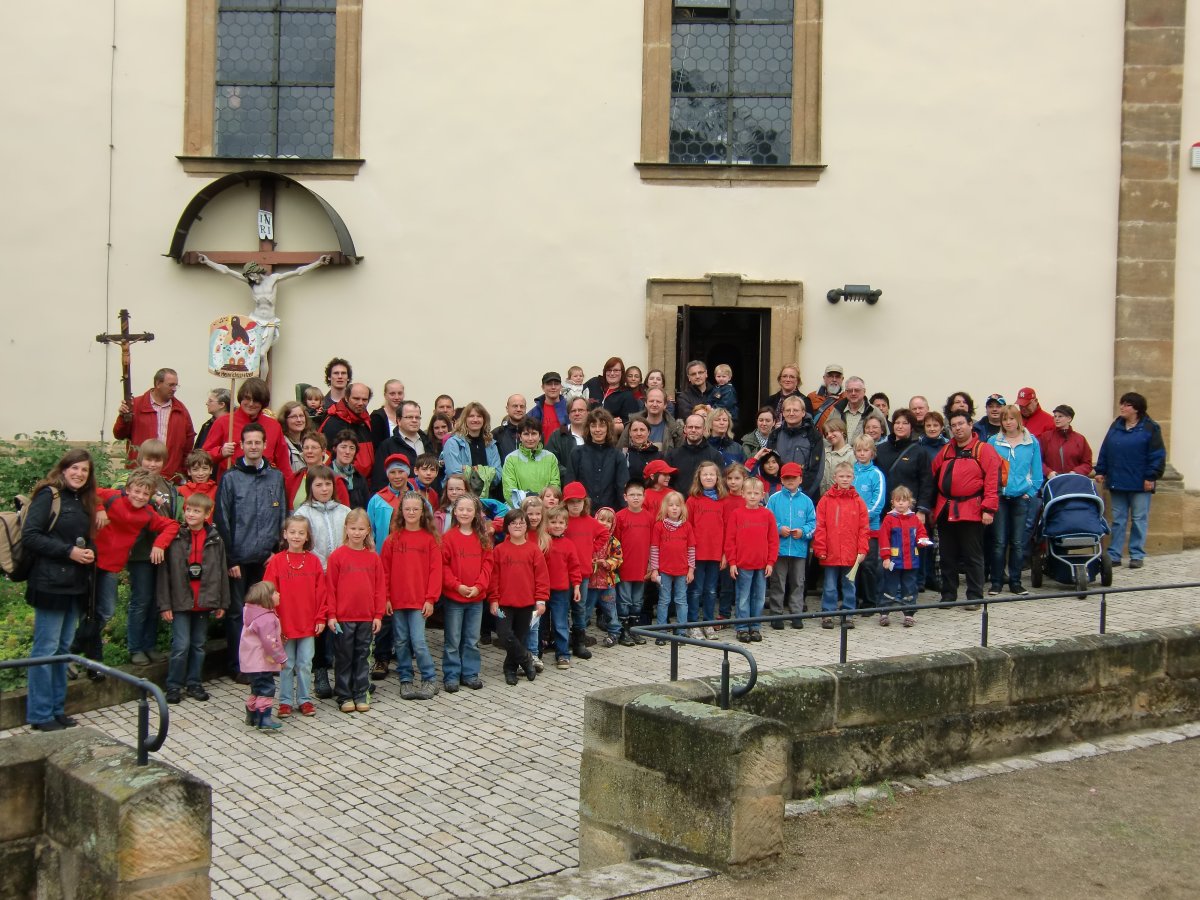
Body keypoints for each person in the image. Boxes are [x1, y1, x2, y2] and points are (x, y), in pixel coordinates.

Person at [23, 449, 98, 731]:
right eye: (75, 468)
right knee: (46, 649)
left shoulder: (82, 500)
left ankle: (56, 708)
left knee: (63, 649)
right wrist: (69, 552)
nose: (79, 474)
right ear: (64, 469)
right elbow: (31, 536)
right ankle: (40, 714)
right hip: (50, 584)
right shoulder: (49, 495)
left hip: (74, 586)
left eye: (84, 470)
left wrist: (87, 552)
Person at [214, 422, 287, 681]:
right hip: (239, 558)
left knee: (265, 612)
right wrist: (230, 558)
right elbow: (222, 518)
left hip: (266, 557)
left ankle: (264, 662)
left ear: (265, 445)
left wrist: (276, 549)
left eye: (258, 442)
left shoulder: (275, 477)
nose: (254, 447)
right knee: (238, 613)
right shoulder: (231, 478)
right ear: (241, 446)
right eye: (249, 443)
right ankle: (239, 665)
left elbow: (282, 515)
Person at [84, 469, 179, 668]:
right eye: (136, 491)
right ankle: (77, 650)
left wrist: (159, 544)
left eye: (145, 494)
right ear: (128, 489)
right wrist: (100, 508)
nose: (140, 497)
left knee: (106, 611)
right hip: (89, 560)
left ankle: (78, 647)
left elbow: (170, 525)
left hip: (112, 566)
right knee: (84, 610)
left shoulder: (146, 513)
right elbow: (90, 489)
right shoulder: (113, 497)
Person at [196, 253, 330, 382]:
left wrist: (318, 263)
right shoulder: (251, 283)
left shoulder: (273, 279)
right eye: (249, 277)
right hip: (255, 321)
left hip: (270, 322)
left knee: (261, 354)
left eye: (252, 276)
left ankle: (261, 384)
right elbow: (227, 271)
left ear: (256, 271)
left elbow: (298, 272)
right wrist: (208, 262)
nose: (252, 279)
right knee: (250, 353)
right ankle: (252, 381)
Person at [157, 493, 229, 704]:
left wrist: (222, 602)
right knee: (181, 645)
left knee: (198, 645)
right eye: (188, 509)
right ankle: (173, 685)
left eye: (196, 511)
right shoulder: (175, 537)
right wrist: (165, 604)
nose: (190, 514)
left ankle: (194, 682)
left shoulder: (215, 539)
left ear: (207, 514)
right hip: (180, 600)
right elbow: (164, 573)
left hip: (204, 600)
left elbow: (222, 571)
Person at [931, 411, 1001, 610]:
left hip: (972, 510)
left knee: (972, 556)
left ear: (971, 425)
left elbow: (992, 482)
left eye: (961, 423)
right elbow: (932, 476)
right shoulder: (945, 450)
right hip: (946, 509)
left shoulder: (984, 450)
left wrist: (989, 509)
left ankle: (974, 596)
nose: (958, 428)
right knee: (947, 556)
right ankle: (948, 595)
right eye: (953, 425)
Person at [120, 439, 180, 666]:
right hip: (141, 553)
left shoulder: (167, 486)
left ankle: (150, 644)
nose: (153, 464)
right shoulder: (133, 484)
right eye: (149, 459)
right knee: (141, 599)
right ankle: (135, 647)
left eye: (158, 460)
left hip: (163, 551)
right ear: (140, 459)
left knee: (157, 599)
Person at [292, 465, 347, 701]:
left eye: (327, 484)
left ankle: (349, 674)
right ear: (310, 488)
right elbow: (303, 545)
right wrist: (323, 566)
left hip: (344, 577)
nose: (324, 489)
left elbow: (351, 539)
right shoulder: (303, 513)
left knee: (344, 625)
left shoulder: (345, 511)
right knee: (321, 626)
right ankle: (321, 672)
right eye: (318, 485)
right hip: (316, 575)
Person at [262, 516, 326, 717]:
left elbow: (322, 593)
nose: (296, 536)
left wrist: (320, 618)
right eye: (293, 532)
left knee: (306, 663)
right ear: (285, 534)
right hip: (284, 623)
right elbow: (268, 592)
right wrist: (273, 621)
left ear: (307, 536)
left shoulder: (314, 561)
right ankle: (285, 701)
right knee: (286, 664)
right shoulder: (277, 562)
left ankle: (305, 699)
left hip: (307, 621)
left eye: (301, 533)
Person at [382, 492, 442, 701]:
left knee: (418, 641)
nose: (411, 512)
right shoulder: (392, 540)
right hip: (398, 601)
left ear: (422, 512)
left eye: (415, 509)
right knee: (400, 641)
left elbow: (436, 571)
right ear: (401, 512)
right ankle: (405, 679)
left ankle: (429, 678)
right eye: (407, 509)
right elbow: (385, 572)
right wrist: (386, 597)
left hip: (419, 601)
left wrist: (430, 598)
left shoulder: (430, 540)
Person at [1096, 391, 1166, 569]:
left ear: (1136, 409)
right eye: (1122, 404)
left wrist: (1151, 476)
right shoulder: (1116, 426)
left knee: (1138, 518)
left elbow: (1157, 455)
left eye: (1126, 405)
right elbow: (1105, 449)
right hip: (1118, 480)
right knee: (1118, 519)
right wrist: (1101, 470)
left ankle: (1136, 554)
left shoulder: (1150, 427)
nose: (1122, 407)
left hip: (1141, 482)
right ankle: (1114, 554)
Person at [326, 509, 385, 712]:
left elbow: (380, 589)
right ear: (346, 529)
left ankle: (361, 692)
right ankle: (344, 695)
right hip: (344, 618)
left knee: (362, 656)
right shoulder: (337, 557)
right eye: (353, 528)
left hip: (366, 617)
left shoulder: (373, 558)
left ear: (368, 530)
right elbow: (330, 589)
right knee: (344, 656)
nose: (357, 533)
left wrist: (378, 615)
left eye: (361, 529)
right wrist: (331, 615)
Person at [489, 509, 550, 685]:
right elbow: (493, 578)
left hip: (527, 605)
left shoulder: (534, 550)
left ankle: (510, 669)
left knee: (519, 636)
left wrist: (541, 600)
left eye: (521, 523)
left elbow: (542, 578)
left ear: (526, 526)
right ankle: (526, 659)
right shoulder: (499, 550)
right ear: (507, 527)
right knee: (505, 634)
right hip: (503, 606)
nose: (517, 526)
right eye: (513, 523)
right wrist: (493, 599)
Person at [988, 404, 1043, 596]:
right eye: (1004, 419)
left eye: (1011, 418)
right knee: (999, 542)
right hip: (1000, 496)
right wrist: (992, 493)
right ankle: (996, 582)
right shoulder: (994, 441)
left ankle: (1016, 581)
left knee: (1018, 542)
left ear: (1018, 419)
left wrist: (1031, 491)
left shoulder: (1031, 442)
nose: (1008, 422)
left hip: (1021, 496)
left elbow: (1037, 471)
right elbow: (988, 469)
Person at [441, 494, 493, 690]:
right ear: (455, 511)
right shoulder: (448, 538)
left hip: (476, 598)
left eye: (469, 510)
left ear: (476, 513)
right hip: (455, 597)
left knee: (472, 639)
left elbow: (488, 565)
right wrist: (457, 586)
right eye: (461, 509)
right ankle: (451, 675)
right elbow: (443, 566)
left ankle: (470, 673)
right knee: (453, 640)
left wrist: (479, 586)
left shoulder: (483, 538)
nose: (464, 513)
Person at [813, 461, 870, 629]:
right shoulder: (825, 500)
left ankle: (848, 614)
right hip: (830, 551)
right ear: (834, 477)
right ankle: (827, 614)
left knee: (849, 585)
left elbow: (863, 528)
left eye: (848, 476)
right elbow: (820, 526)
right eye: (841, 476)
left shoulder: (859, 502)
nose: (845, 479)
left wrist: (862, 549)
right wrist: (821, 548)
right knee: (829, 586)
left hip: (851, 553)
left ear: (853, 478)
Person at [113, 367, 195, 480]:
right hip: (140, 474)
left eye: (176, 385)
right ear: (158, 384)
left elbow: (188, 443)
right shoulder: (136, 405)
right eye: (171, 385)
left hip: (169, 476)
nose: (174, 389)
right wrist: (123, 417)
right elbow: (119, 434)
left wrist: (181, 469)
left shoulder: (181, 410)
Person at [725, 476, 779, 643]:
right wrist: (732, 562)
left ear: (763, 495)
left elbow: (773, 541)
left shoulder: (768, 515)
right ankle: (741, 627)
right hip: (743, 564)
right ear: (743, 494)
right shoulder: (736, 514)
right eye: (749, 493)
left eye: (756, 493)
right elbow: (730, 540)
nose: (753, 496)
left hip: (762, 564)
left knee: (759, 597)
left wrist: (771, 562)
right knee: (743, 597)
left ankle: (755, 626)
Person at [202, 377, 291, 477]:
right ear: (241, 398)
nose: (251, 404)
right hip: (232, 486)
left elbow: (284, 464)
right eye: (247, 398)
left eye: (256, 400)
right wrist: (221, 452)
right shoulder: (223, 422)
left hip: (265, 485)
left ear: (263, 402)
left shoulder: (274, 426)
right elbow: (203, 456)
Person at [765, 462, 815, 630]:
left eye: (794, 478)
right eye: (787, 478)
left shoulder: (807, 501)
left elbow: (813, 523)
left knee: (798, 582)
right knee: (778, 581)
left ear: (800, 479)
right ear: (781, 479)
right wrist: (779, 529)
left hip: (799, 549)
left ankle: (796, 613)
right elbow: (768, 520)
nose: (790, 481)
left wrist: (803, 531)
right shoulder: (774, 498)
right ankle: (776, 613)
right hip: (779, 549)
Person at [562, 482, 607, 657]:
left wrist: (592, 548)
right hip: (562, 572)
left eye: (578, 501)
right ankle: (563, 640)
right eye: (571, 501)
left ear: (585, 502)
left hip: (583, 572)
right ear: (565, 503)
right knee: (563, 607)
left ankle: (579, 641)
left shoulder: (589, 522)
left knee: (580, 607)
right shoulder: (562, 520)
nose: (575, 505)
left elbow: (604, 534)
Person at [878, 486, 932, 627]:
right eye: (898, 500)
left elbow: (921, 534)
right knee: (889, 587)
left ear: (910, 502)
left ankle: (909, 614)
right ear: (893, 502)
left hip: (911, 562)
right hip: (893, 561)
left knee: (910, 588)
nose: (901, 503)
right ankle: (884, 612)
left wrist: (923, 541)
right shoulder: (889, 519)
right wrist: (885, 557)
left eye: (904, 500)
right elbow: (884, 539)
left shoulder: (914, 519)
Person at [685, 461, 726, 638]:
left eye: (712, 474)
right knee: (695, 590)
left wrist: (725, 553)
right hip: (697, 554)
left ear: (717, 478)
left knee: (711, 590)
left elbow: (727, 528)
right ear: (699, 478)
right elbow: (688, 527)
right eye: (705, 474)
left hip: (716, 554)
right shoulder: (693, 500)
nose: (708, 477)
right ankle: (693, 623)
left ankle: (708, 622)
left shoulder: (723, 501)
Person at [649, 491, 695, 643]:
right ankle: (661, 632)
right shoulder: (659, 526)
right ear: (665, 508)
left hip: (682, 571)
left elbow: (691, 549)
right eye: (671, 505)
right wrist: (654, 569)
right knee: (664, 600)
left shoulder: (687, 527)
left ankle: (682, 632)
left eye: (678, 505)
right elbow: (654, 549)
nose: (674, 508)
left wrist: (691, 569)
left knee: (681, 601)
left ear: (682, 508)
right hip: (664, 570)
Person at [543, 506, 584, 667]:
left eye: (561, 522)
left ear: (566, 525)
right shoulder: (543, 541)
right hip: (542, 590)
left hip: (561, 590)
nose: (557, 525)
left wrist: (576, 586)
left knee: (561, 623)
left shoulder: (569, 544)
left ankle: (562, 653)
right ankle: (536, 652)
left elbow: (574, 567)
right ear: (546, 524)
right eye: (553, 522)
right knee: (540, 623)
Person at [874, 409, 933, 518]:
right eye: (897, 422)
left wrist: (922, 510)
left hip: (909, 511)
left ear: (912, 427)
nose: (900, 426)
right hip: (883, 511)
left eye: (905, 423)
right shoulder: (880, 449)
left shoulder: (919, 452)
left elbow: (926, 483)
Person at [614, 482, 653, 646]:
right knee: (624, 600)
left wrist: (651, 564)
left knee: (637, 600)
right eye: (632, 495)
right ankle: (624, 631)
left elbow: (653, 543)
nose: (636, 498)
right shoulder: (620, 516)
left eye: (639, 495)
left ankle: (634, 630)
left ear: (644, 497)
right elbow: (614, 543)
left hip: (642, 567)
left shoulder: (649, 517)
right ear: (625, 497)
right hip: (624, 567)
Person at [852, 435, 887, 614]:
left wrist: (861, 518)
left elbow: (878, 502)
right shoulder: (850, 472)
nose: (862, 453)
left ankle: (869, 600)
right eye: (859, 450)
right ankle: (853, 599)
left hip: (870, 528)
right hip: (850, 529)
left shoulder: (877, 475)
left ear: (872, 453)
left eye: (866, 450)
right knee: (853, 565)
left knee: (868, 565)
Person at [570, 408, 630, 511]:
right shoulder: (577, 453)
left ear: (608, 428)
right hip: (583, 513)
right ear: (588, 428)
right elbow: (570, 485)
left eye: (602, 426)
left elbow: (622, 489)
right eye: (593, 426)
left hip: (609, 515)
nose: (597, 430)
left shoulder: (617, 456)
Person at [441, 401, 503, 499]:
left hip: (487, 499)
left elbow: (498, 474)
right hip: (459, 499)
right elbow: (454, 473)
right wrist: (485, 473)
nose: (475, 419)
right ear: (465, 419)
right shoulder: (453, 443)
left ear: (484, 419)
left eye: (479, 416)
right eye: (471, 416)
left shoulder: (491, 444)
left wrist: (467, 470)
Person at [767, 396, 824, 499]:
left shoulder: (814, 436)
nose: (791, 413)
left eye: (796, 410)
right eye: (788, 410)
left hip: (805, 496)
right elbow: (769, 466)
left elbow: (817, 471)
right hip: (778, 495)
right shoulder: (774, 435)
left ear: (803, 413)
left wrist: (800, 495)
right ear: (783, 413)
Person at [319, 382, 375, 479]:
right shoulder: (333, 422)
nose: (361, 403)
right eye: (356, 399)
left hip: (364, 483)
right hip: (343, 481)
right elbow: (325, 459)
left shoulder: (366, 421)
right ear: (346, 398)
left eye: (365, 399)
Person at [502, 417, 561, 508]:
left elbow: (555, 487)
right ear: (520, 437)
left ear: (540, 436)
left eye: (534, 434)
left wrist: (542, 507)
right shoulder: (511, 459)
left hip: (546, 512)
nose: (530, 438)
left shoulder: (551, 458)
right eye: (526, 434)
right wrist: (529, 505)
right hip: (520, 513)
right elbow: (509, 491)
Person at [372, 400, 430, 489]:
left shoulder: (428, 442)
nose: (414, 420)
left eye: (417, 417)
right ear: (398, 420)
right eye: (409, 417)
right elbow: (380, 480)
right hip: (398, 498)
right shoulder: (387, 446)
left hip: (427, 497)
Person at [588, 507, 624, 648]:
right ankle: (579, 634)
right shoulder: (589, 537)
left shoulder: (614, 542)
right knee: (585, 609)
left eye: (609, 521)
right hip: (590, 582)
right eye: (601, 520)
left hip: (608, 583)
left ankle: (614, 633)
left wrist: (607, 563)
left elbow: (618, 558)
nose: (604, 523)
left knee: (610, 608)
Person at [666, 414, 724, 494]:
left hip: (705, 504)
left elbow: (720, 483)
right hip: (678, 504)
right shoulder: (672, 455)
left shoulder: (715, 456)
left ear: (704, 430)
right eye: (690, 427)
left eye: (697, 427)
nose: (693, 430)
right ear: (685, 429)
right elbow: (666, 482)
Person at [620, 388, 684, 453]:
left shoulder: (675, 428)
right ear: (645, 403)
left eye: (658, 402)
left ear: (665, 405)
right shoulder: (632, 425)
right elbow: (620, 451)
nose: (654, 404)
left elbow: (680, 456)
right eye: (651, 401)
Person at [584, 357, 641, 429]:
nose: (612, 373)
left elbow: (629, 423)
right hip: (588, 432)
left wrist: (608, 424)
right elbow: (577, 392)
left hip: (611, 437)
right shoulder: (594, 383)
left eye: (616, 370)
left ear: (622, 373)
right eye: (609, 370)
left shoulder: (627, 395)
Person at [1041, 404, 1094, 478]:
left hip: (1073, 483)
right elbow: (1037, 460)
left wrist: (1076, 472)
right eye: (1055, 416)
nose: (1056, 419)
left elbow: (1087, 463)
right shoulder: (1045, 437)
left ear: (1069, 419)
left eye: (1060, 416)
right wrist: (1048, 472)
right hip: (1052, 482)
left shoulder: (1080, 439)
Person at [547, 397, 591, 482]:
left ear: (588, 413)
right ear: (568, 415)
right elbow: (551, 462)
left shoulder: (595, 434)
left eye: (581, 410)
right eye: (573, 411)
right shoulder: (558, 435)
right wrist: (570, 475)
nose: (577, 413)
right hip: (567, 486)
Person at [829, 377, 888, 441]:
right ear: (846, 392)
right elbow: (826, 433)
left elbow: (886, 438)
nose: (853, 393)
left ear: (864, 391)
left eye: (857, 390)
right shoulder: (836, 410)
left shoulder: (874, 411)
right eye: (850, 390)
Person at [528, 372, 569, 445]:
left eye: (556, 384)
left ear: (561, 387)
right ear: (543, 387)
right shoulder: (534, 413)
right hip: (543, 454)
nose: (553, 387)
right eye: (549, 384)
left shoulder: (569, 409)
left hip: (565, 453)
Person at [178, 449, 218, 522]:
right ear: (189, 471)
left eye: (205, 469)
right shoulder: (180, 491)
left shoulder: (217, 491)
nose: (200, 473)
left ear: (211, 470)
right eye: (195, 469)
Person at [622, 418, 663, 485]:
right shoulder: (623, 455)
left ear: (649, 432)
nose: (639, 433)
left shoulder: (658, 456)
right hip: (631, 494)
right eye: (635, 430)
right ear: (630, 433)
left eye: (642, 430)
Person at [820, 418, 854, 495]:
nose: (829, 435)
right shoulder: (824, 452)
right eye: (826, 434)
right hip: (824, 498)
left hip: (843, 498)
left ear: (842, 431)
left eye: (832, 431)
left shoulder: (851, 454)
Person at [369, 379, 406, 448]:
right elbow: (376, 447)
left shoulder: (407, 415)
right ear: (385, 395)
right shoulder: (377, 417)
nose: (397, 397)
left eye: (400, 393)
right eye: (392, 394)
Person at [808, 363, 845, 431]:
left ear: (842, 379)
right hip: (814, 439)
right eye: (830, 376)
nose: (834, 380)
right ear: (824, 378)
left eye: (837, 377)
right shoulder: (811, 396)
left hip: (834, 438)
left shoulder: (846, 398)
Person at [194, 388, 230, 453]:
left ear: (222, 404)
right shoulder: (207, 425)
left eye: (210, 401)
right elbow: (198, 450)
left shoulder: (231, 425)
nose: (206, 403)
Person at [492, 395, 528, 462]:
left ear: (525, 409)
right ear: (507, 408)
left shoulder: (534, 433)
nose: (519, 409)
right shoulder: (496, 434)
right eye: (515, 406)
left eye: (522, 406)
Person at [278, 401, 310, 475]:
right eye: (294, 417)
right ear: (284, 420)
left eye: (301, 416)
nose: (299, 420)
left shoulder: (309, 442)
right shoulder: (283, 446)